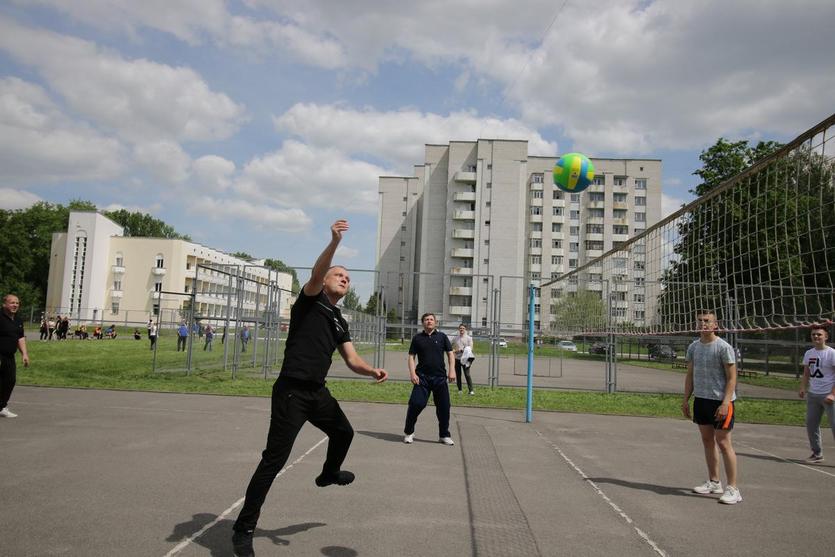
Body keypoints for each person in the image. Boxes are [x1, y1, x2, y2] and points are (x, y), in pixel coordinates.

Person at [231, 220, 388, 557]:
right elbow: (317, 274)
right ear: (325, 280)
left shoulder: (339, 320)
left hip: (317, 392)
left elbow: (351, 358)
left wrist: (371, 370)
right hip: (291, 391)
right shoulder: (310, 300)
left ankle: (328, 473)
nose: (344, 278)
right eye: (339, 275)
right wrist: (333, 243)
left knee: (344, 432)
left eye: (348, 277)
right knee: (273, 461)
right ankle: (243, 530)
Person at [681, 310, 741, 505]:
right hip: (702, 400)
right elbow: (690, 375)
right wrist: (685, 399)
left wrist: (725, 402)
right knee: (707, 440)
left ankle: (734, 488)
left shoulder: (723, 347)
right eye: (700, 321)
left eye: (707, 321)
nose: (703, 324)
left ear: (715, 325)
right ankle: (715, 482)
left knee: (723, 442)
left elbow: (732, 378)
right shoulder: (693, 347)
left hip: (721, 401)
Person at [403, 312, 456, 445]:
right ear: (423, 323)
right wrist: (413, 373)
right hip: (422, 378)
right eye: (426, 319)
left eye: (431, 319)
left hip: (440, 378)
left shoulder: (442, 337)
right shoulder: (417, 338)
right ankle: (409, 433)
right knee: (416, 404)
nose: (429, 321)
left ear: (435, 322)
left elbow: (450, 354)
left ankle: (444, 435)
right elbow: (411, 357)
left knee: (444, 407)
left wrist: (452, 371)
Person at [799, 326, 835, 463]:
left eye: (819, 334)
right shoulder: (809, 353)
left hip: (829, 395)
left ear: (826, 337)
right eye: (813, 334)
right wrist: (803, 387)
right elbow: (807, 372)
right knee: (811, 424)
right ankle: (817, 454)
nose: (816, 337)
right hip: (813, 394)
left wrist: (833, 394)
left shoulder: (831, 353)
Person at [1, 294, 30, 418]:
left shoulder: (18, 320)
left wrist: (24, 354)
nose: (15, 305)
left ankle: (1, 407)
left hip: (9, 356)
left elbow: (20, 337)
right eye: (12, 303)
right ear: (4, 304)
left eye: (17, 303)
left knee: (10, 381)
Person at [451, 324, 475, 395]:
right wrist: (453, 351)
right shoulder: (455, 338)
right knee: (458, 375)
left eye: (463, 328)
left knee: (467, 374)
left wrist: (462, 350)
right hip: (457, 359)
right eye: (460, 328)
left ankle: (471, 390)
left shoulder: (469, 338)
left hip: (466, 359)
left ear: (465, 330)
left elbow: (470, 348)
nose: (461, 330)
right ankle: (460, 390)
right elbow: (450, 346)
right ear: (459, 329)